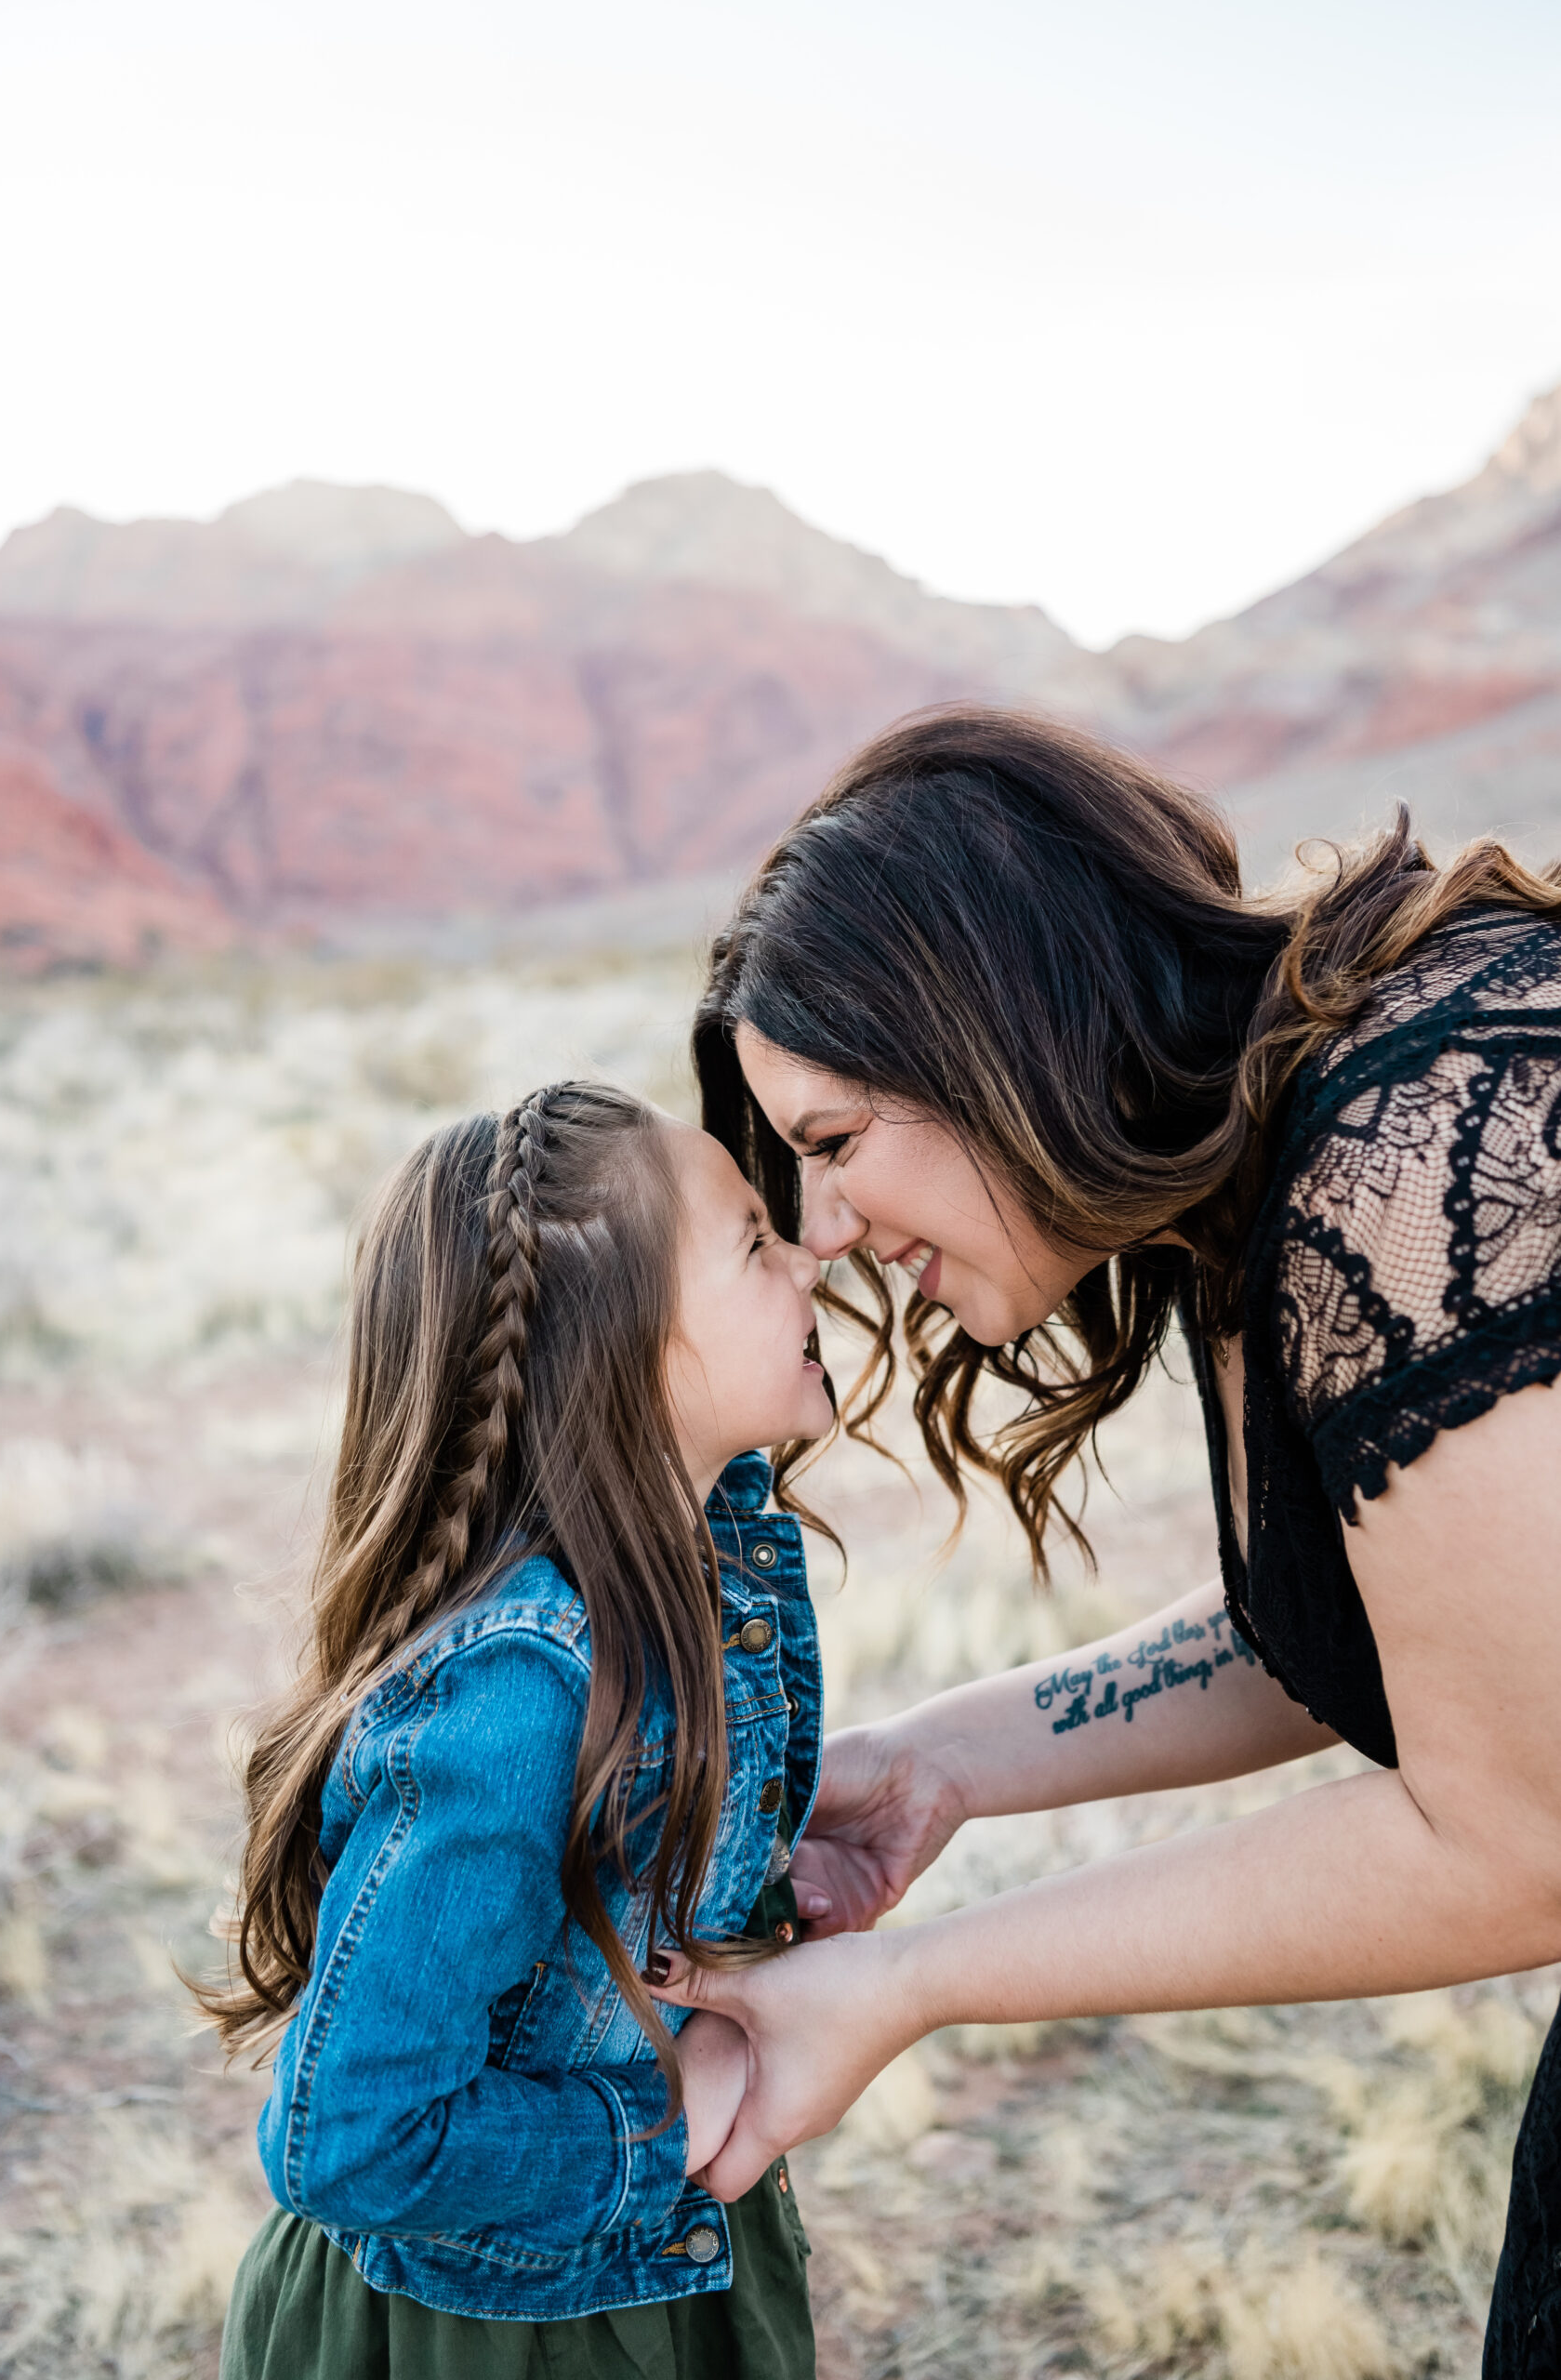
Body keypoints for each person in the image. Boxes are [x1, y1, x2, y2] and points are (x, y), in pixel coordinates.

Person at [668, 707, 1561, 2376]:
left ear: (995, 1027)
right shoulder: (1285, 1147)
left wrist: (906, 1986)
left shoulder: (1410, 1148)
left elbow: (1521, 1834)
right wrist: (937, 1760)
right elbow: (1412, 1612)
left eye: (835, 1145)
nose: (827, 1236)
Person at [204, 1080, 833, 2379]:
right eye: (754, 1245)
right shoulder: (521, 1687)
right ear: (623, 1339)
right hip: (495, 2330)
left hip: (656, 2265)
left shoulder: (712, 1564)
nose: (812, 1255)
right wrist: (660, 2126)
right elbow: (354, 2136)